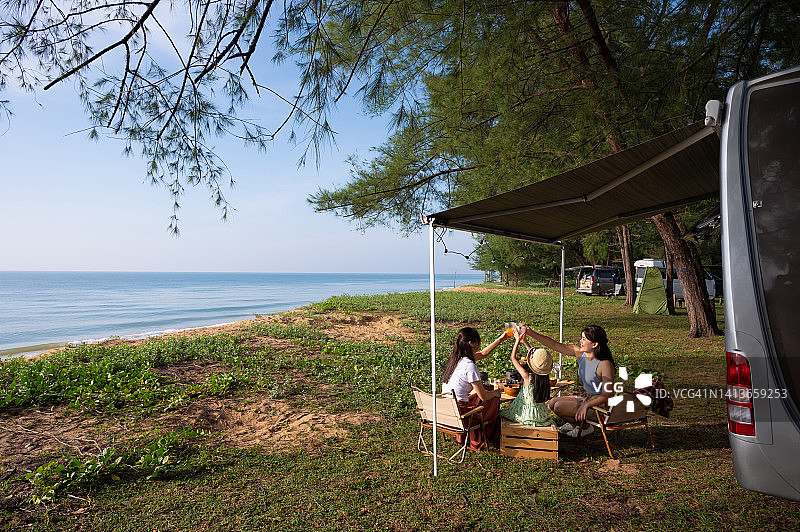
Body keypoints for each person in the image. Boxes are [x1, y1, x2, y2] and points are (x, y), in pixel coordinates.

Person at [521, 324, 615, 437]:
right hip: (586, 397)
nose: (580, 341)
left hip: (599, 406)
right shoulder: (581, 354)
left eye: (584, 339)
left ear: (594, 344)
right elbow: (554, 344)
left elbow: (608, 394)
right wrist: (530, 333)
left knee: (558, 406)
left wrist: (586, 405)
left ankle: (585, 428)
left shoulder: (605, 365)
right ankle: (575, 423)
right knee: (552, 403)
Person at [441, 326, 507, 450]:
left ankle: (461, 437)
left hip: (446, 410)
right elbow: (484, 396)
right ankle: (483, 437)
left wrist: (501, 338)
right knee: (492, 398)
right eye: (478, 340)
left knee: (485, 388)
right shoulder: (469, 365)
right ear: (472, 343)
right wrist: (497, 392)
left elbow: (483, 354)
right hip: (461, 414)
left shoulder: (455, 358)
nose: (480, 343)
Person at [500, 327, 553, 426]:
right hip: (540, 415)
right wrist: (525, 342)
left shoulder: (527, 376)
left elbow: (513, 358)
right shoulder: (544, 377)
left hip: (527, 414)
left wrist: (517, 341)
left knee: (502, 413)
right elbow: (535, 359)